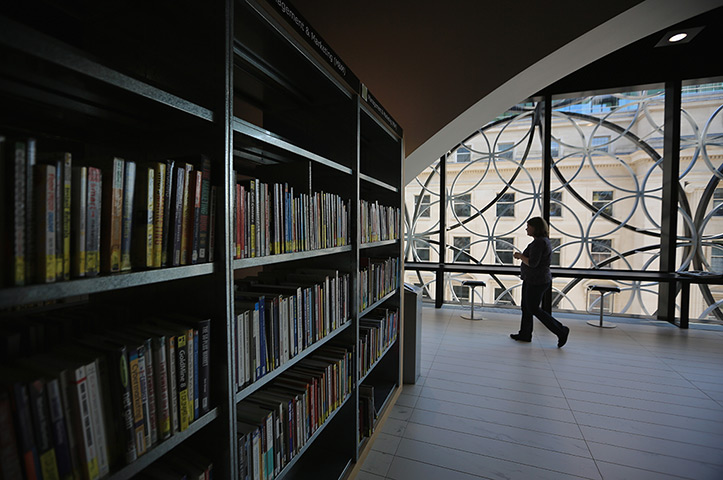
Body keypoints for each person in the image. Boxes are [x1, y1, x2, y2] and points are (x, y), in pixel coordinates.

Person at [511, 217, 569, 347]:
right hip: (533, 279)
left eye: (529, 226)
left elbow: (532, 263)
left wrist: (520, 256)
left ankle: (561, 330)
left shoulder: (539, 243)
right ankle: (525, 333)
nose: (526, 229)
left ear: (536, 228)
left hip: (536, 281)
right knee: (526, 307)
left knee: (533, 308)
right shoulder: (543, 241)